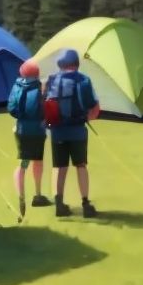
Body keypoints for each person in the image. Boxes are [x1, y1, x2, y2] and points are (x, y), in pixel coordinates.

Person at [43, 48, 100, 217]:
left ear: (60, 64)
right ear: (76, 63)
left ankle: (59, 204)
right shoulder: (83, 80)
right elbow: (93, 107)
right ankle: (86, 204)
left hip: (57, 131)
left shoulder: (51, 80)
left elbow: (44, 102)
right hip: (77, 131)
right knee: (80, 165)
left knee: (59, 167)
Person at [6, 60, 50, 219]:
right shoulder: (41, 87)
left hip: (21, 130)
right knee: (37, 161)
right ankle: (38, 195)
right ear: (37, 73)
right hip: (37, 131)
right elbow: (47, 109)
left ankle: (21, 197)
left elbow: (11, 108)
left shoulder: (17, 86)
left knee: (23, 163)